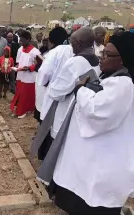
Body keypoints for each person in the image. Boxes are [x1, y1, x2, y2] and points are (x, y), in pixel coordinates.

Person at [48, 31, 134, 215]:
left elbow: (97, 111)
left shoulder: (123, 85)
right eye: (102, 53)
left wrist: (80, 89)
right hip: (93, 161)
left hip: (103, 164)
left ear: (124, 59)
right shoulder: (111, 78)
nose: (101, 57)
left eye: (107, 54)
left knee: (94, 204)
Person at [33, 27, 100, 161]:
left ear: (79, 44)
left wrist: (50, 86)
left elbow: (56, 91)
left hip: (65, 110)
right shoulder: (97, 62)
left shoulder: (74, 62)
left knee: (56, 145)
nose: (71, 45)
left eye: (72, 42)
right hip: (83, 111)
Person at [33, 27, 71, 160]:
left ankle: (43, 155)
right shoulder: (72, 51)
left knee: (46, 126)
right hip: (66, 95)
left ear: (51, 40)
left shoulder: (53, 53)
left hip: (50, 94)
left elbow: (44, 75)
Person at [10, 30, 41, 119]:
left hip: (30, 77)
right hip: (20, 75)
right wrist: (15, 67)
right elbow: (18, 62)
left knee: (27, 94)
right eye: (20, 40)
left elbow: (38, 65)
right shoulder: (20, 49)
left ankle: (23, 111)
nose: (21, 42)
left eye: (22, 40)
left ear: (28, 40)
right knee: (20, 93)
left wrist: (28, 68)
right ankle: (19, 109)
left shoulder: (35, 52)